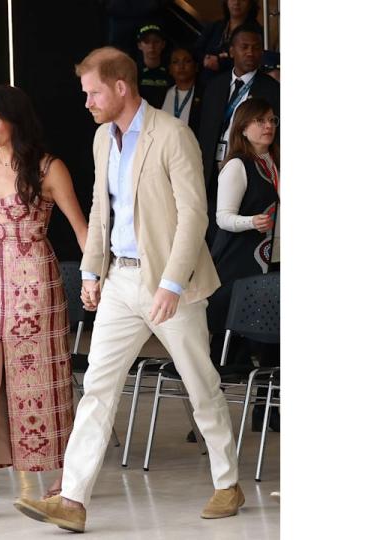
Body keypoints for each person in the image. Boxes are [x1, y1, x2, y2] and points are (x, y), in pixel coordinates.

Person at [13, 47, 244, 534]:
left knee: (201, 384)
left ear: (121, 87)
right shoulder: (102, 138)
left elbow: (193, 216)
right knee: (97, 386)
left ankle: (228, 482)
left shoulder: (172, 135)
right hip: (119, 278)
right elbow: (102, 208)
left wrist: (172, 283)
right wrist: (92, 272)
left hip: (168, 281)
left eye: (93, 92)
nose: (87, 102)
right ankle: (73, 499)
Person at [0, 85, 89, 519]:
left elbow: (82, 231)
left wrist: (96, 279)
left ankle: (65, 473)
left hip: (37, 286)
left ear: (15, 120)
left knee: (48, 375)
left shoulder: (49, 167)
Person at [207, 97, 279, 366]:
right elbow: (223, 218)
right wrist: (251, 222)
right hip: (238, 265)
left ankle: (267, 408)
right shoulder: (237, 165)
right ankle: (210, 404)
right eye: (260, 120)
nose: (268, 125)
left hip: (269, 264)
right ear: (243, 128)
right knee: (228, 349)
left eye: (272, 120)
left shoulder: (274, 162)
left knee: (271, 344)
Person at [197, 24, 279, 245]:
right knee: (211, 228)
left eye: (256, 47)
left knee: (237, 227)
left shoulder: (272, 89)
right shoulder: (215, 85)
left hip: (249, 167)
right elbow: (202, 130)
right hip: (211, 168)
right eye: (244, 47)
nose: (250, 52)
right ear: (232, 50)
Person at [194, 0, 259, 85]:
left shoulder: (256, 32)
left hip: (238, 84)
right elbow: (196, 50)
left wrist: (221, 63)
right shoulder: (215, 26)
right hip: (207, 84)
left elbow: (252, 61)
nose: (236, 2)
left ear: (250, 3)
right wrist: (205, 59)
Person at [160, 46, 204, 135]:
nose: (181, 66)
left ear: (196, 66)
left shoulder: (205, 95)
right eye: (175, 62)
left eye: (187, 61)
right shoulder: (161, 94)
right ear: (170, 69)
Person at [136, 23, 173, 109]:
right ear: (139, 45)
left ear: (163, 44)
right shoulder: (133, 71)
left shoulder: (171, 71)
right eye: (146, 42)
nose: (152, 46)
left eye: (156, 41)